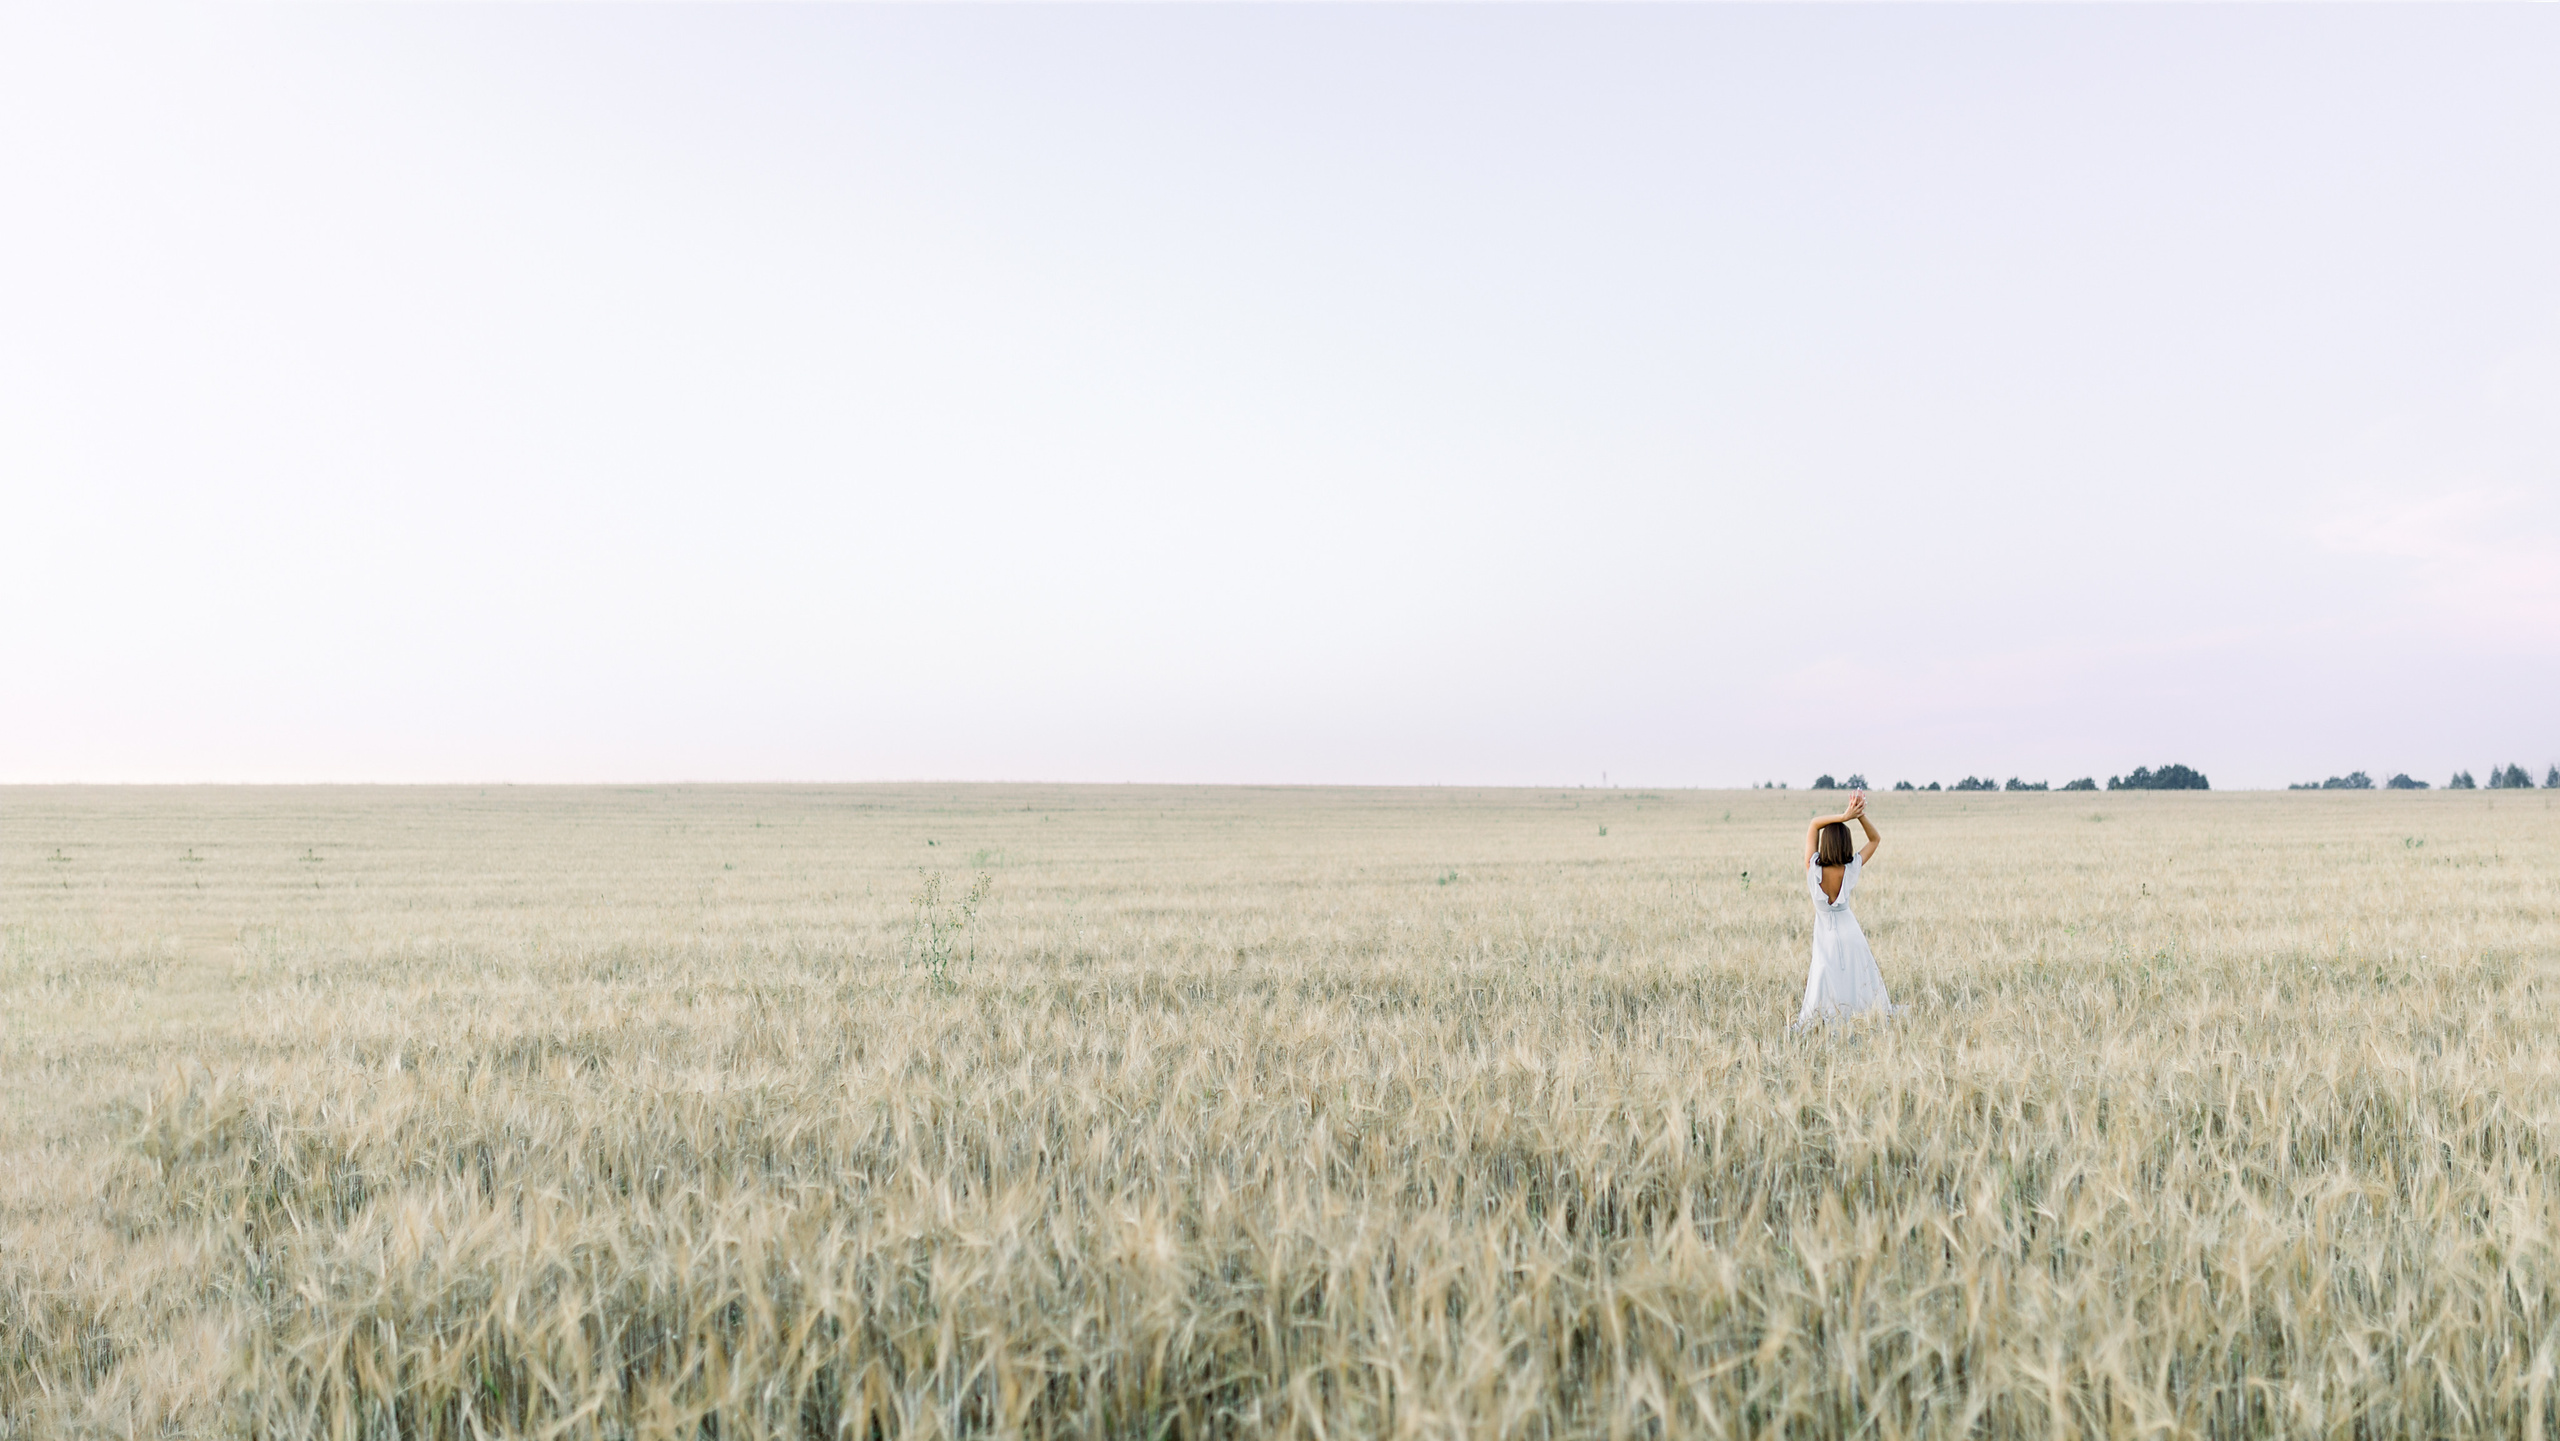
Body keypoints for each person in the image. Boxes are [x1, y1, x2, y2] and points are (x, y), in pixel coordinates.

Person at [1795, 792, 1893, 1027]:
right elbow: (1875, 840)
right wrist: (1859, 816)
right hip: (1851, 932)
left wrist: (1844, 815)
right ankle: (1863, 1020)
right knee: (1857, 979)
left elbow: (1813, 823)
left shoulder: (1812, 868)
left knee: (1824, 978)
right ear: (1846, 843)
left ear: (1824, 843)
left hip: (1825, 934)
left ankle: (1826, 1022)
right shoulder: (1852, 867)